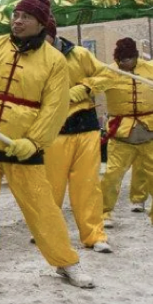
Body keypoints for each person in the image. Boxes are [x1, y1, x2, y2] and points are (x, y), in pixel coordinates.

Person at [0, 0, 93, 289]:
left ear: (41, 23)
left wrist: (34, 142)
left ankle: (66, 262)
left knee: (42, 207)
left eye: (26, 17)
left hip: (22, 146)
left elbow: (55, 107)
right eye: (16, 15)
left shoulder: (54, 61)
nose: (18, 20)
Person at [94, 38, 153, 230]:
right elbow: (91, 87)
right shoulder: (109, 71)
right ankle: (102, 213)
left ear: (135, 57)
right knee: (111, 176)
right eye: (120, 59)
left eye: (127, 59)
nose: (124, 63)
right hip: (121, 134)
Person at [42, 20, 113, 253]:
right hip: (54, 130)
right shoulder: (32, 60)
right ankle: (47, 232)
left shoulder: (80, 55)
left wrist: (85, 87)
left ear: (51, 34)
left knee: (87, 185)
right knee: (51, 186)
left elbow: (107, 75)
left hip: (85, 126)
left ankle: (94, 235)